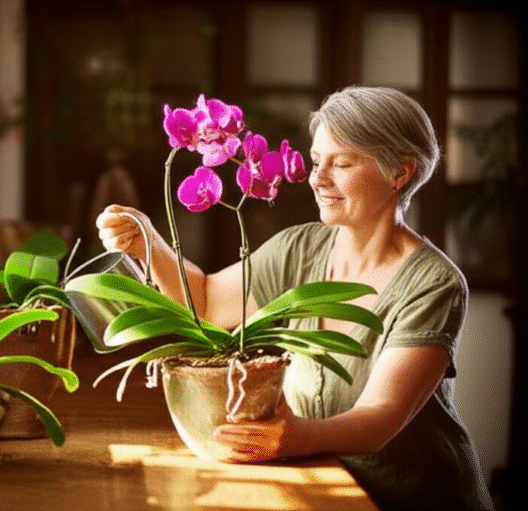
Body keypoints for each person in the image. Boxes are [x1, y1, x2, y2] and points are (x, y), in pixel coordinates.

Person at [96, 86, 494, 511]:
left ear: (400, 172)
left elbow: (379, 416)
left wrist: (296, 436)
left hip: (417, 499)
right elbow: (207, 302)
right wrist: (149, 243)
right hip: (324, 486)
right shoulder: (298, 249)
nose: (318, 178)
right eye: (317, 161)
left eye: (342, 164)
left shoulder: (434, 283)